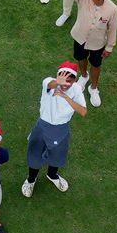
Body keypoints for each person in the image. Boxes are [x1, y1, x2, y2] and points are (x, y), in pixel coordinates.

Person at [21, 61, 87, 198]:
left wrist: (66, 97)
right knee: (35, 156)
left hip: (61, 129)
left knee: (57, 156)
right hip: (42, 127)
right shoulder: (49, 82)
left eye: (69, 80)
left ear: (75, 79)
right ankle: (30, 180)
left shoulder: (76, 90)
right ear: (57, 76)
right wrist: (58, 82)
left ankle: (52, 175)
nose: (65, 84)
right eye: (63, 78)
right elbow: (50, 84)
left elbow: (83, 111)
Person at [67, 0, 117, 108]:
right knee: (80, 58)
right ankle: (83, 76)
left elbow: (113, 28)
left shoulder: (112, 9)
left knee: (96, 65)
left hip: (98, 43)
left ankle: (93, 88)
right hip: (79, 37)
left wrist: (109, 46)